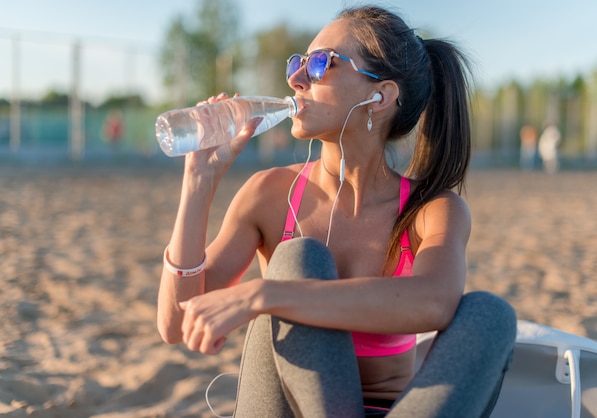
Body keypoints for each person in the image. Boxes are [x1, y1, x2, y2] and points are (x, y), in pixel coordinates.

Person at [157, 5, 517, 417]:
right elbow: (175, 324)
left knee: (491, 315)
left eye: (319, 63)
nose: (295, 78)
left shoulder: (431, 210)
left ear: (379, 95)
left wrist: (265, 293)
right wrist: (198, 183)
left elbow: (436, 300)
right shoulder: (270, 194)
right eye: (298, 62)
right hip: (285, 409)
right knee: (298, 258)